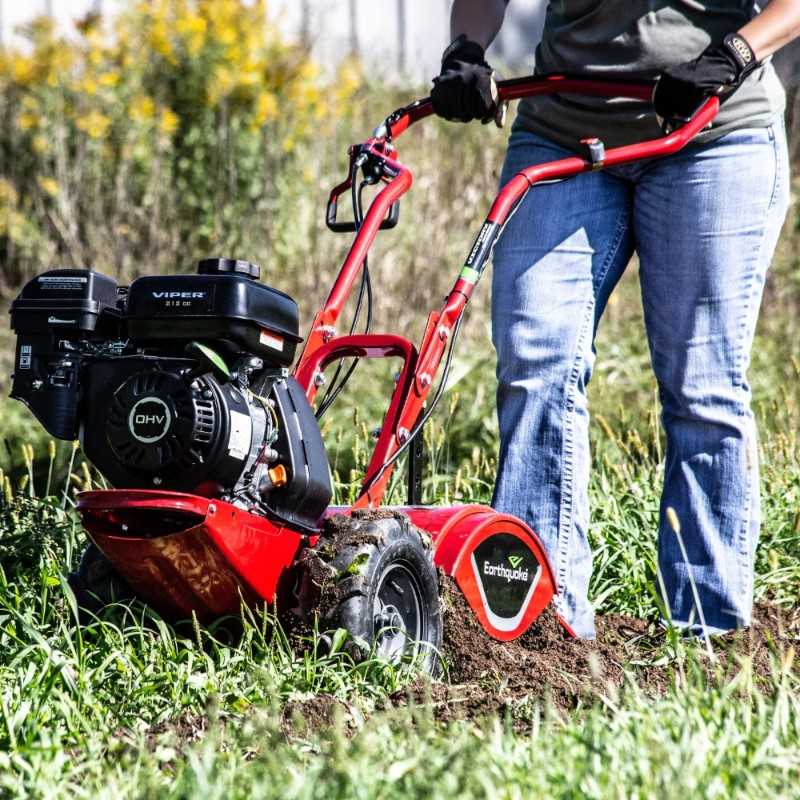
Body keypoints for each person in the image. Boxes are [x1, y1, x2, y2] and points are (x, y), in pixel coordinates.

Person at [430, 1, 800, 638]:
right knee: (534, 363)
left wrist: (733, 54)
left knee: (700, 384)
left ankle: (707, 633)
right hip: (561, 126)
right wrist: (465, 50)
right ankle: (541, 630)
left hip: (712, 131)